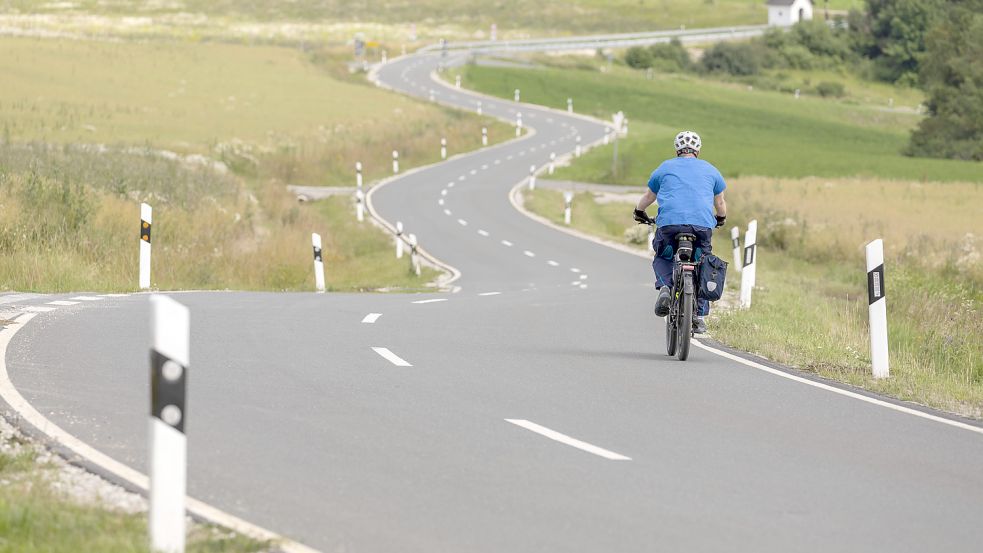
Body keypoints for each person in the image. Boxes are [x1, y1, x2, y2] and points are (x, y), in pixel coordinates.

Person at [633, 130, 727, 334]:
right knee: (702, 263)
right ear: (698, 150)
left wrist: (639, 212)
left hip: (669, 225)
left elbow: (649, 196)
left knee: (664, 256)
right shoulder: (711, 170)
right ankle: (699, 316)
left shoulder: (665, 167)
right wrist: (720, 219)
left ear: (677, 149)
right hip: (702, 227)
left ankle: (665, 287)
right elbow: (719, 202)